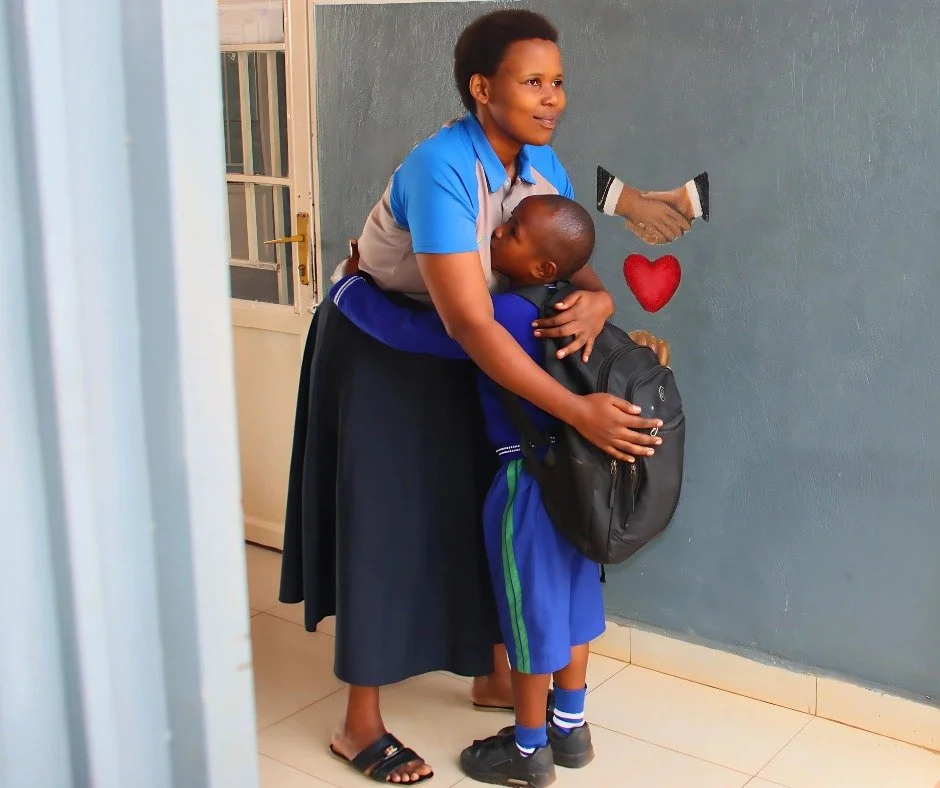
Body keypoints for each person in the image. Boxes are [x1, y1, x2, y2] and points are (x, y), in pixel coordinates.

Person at [278, 9, 686, 784]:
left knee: (487, 506)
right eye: (531, 82)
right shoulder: (441, 168)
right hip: (384, 347)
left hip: (472, 354)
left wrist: (599, 303)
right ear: (481, 87)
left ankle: (498, 674)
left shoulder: (543, 166)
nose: (551, 98)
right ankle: (358, 724)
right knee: (386, 523)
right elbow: (469, 317)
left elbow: (566, 264)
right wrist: (577, 411)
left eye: (558, 82)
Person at [332, 194, 641, 788]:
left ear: (542, 267)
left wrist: (350, 287)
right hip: (580, 485)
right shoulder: (577, 309)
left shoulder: (499, 314)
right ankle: (570, 730)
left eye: (515, 229)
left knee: (529, 617)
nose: (499, 228)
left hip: (526, 484)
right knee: (575, 608)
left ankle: (528, 751)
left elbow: (411, 330)